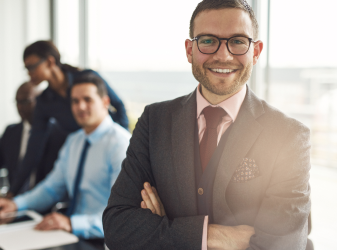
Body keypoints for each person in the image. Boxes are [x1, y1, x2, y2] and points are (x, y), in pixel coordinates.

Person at [103, 1, 311, 249]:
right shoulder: (154, 121)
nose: (223, 55)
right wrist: (214, 236)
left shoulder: (289, 136)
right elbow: (118, 227)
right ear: (189, 49)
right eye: (208, 41)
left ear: (255, 52)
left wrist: (165, 227)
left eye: (237, 41)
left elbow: (283, 245)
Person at [0, 73, 131, 241]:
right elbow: (51, 189)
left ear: (105, 102)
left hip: (103, 239)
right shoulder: (74, 141)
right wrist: (16, 205)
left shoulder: (121, 146)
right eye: (75, 101)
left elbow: (124, 215)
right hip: (70, 235)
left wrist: (72, 223)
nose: (80, 107)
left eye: (87, 99)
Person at [10, 41, 129, 196]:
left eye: (31, 67)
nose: (28, 73)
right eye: (74, 101)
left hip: (106, 149)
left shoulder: (86, 79)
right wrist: (12, 192)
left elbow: (118, 106)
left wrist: (125, 145)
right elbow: (34, 148)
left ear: (49, 61)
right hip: (79, 154)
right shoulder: (44, 101)